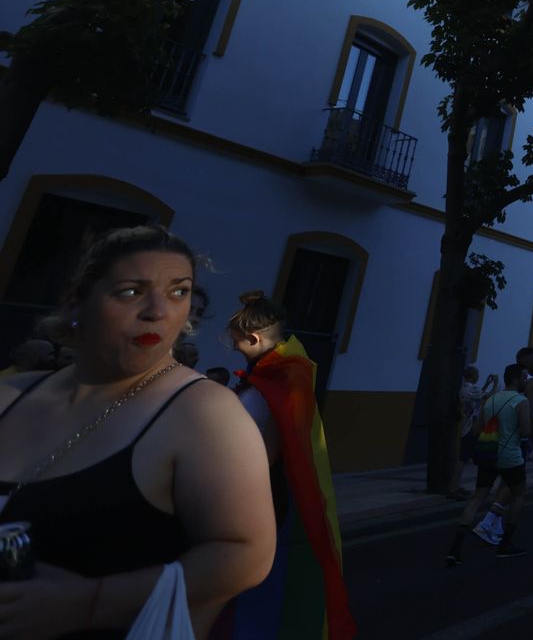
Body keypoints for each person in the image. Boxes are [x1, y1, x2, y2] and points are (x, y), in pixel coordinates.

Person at [0, 225, 275, 638]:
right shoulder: (10, 394)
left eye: (178, 292)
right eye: (131, 291)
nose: (158, 311)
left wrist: (90, 603)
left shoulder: (205, 412)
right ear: (78, 301)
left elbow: (246, 553)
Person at [222, 290, 356, 638]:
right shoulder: (280, 375)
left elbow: (269, 449)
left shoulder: (278, 379)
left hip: (255, 497)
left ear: (254, 338)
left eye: (237, 342)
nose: (235, 349)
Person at [445, 363, 531, 564]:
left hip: (488, 455)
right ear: (516, 379)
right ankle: (506, 543)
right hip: (510, 456)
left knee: (477, 498)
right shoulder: (521, 401)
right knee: (519, 494)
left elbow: (476, 430)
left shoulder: (491, 399)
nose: (527, 381)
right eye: (525, 377)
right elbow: (526, 431)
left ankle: (455, 548)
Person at [451, 365, 486, 497]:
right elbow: (487, 396)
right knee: (463, 458)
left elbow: (478, 397)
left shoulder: (466, 390)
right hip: (470, 428)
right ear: (472, 376)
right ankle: (454, 488)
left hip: (469, 428)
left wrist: (487, 384)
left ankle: (456, 486)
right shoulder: (470, 389)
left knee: (470, 457)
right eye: (477, 375)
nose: (478, 377)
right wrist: (494, 384)